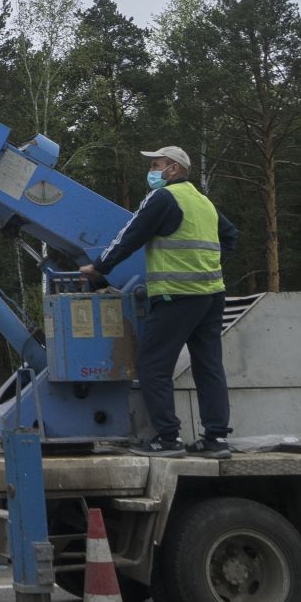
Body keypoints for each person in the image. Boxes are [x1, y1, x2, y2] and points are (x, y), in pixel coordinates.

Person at [82, 144, 239, 458]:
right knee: (208, 366)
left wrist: (99, 268)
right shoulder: (203, 201)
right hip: (212, 296)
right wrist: (205, 264)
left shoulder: (164, 197)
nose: (153, 171)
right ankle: (216, 439)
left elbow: (131, 234)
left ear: (174, 170)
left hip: (176, 296)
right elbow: (230, 236)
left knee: (153, 366)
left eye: (157, 165)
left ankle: (168, 438)